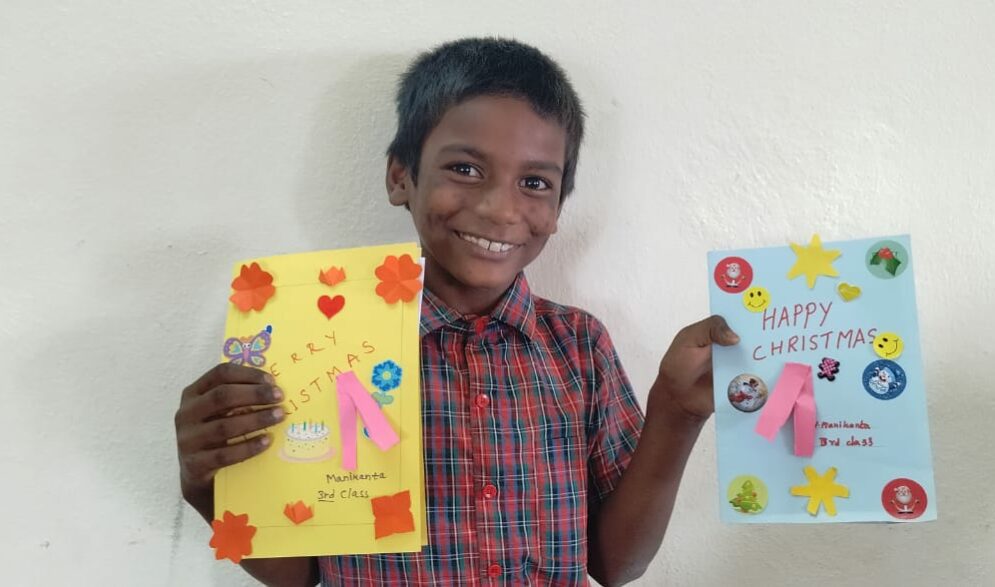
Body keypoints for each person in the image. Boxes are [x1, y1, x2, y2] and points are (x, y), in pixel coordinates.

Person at [174, 37, 739, 586]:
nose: (499, 207)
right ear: (401, 176)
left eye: (535, 182)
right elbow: (299, 574)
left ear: (560, 205)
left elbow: (617, 565)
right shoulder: (318, 344)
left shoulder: (578, 345)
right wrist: (208, 486)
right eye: (466, 168)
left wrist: (676, 414)